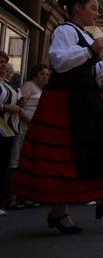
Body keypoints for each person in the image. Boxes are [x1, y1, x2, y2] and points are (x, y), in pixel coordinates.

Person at [12, 0, 103, 233]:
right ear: (77, 7)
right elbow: (59, 62)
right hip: (65, 99)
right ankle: (61, 213)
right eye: (93, 7)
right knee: (62, 155)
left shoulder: (83, 35)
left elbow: (87, 71)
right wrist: (90, 51)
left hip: (84, 97)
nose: (97, 12)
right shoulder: (65, 31)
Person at [7, 64, 49, 210]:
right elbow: (20, 106)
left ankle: (25, 195)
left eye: (47, 75)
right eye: (42, 74)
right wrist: (31, 121)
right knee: (16, 160)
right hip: (24, 128)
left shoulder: (41, 90)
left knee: (29, 162)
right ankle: (12, 197)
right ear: (35, 75)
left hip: (35, 130)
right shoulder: (28, 86)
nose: (45, 77)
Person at [0, 54, 22, 217]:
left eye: (5, 65)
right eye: (1, 64)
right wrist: (6, 107)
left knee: (3, 166)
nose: (5, 68)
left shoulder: (6, 86)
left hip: (7, 129)